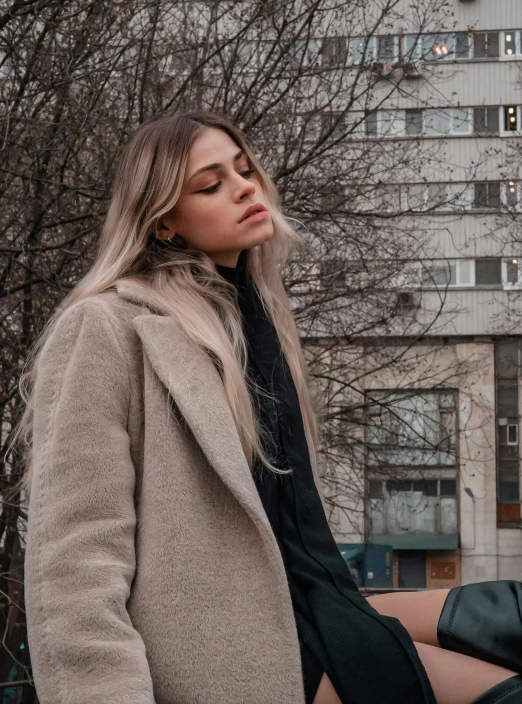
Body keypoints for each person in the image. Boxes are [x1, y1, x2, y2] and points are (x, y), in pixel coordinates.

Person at [15, 110, 522, 704]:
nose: (244, 186)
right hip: (237, 651)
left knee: (510, 614)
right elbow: (73, 561)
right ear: (163, 223)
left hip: (314, 599)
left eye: (244, 168)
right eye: (210, 184)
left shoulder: (256, 321)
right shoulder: (107, 327)